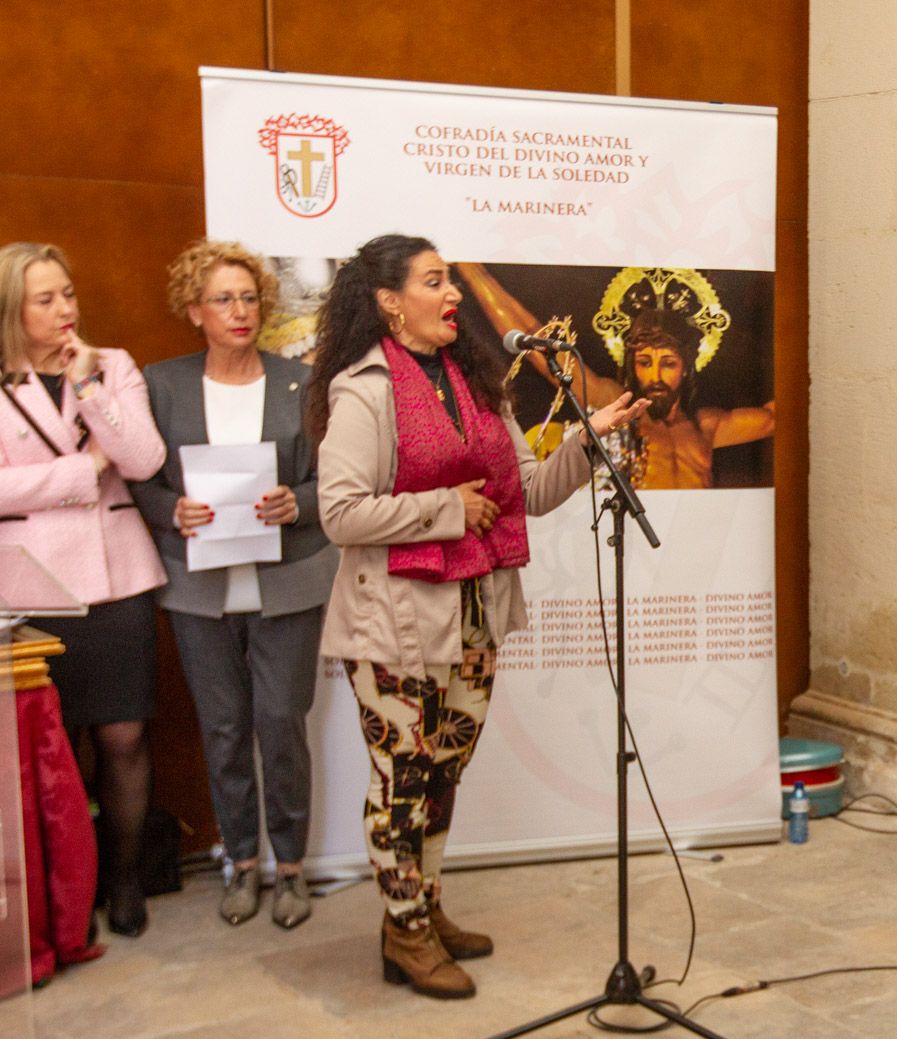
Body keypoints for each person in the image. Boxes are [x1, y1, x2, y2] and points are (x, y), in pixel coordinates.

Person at [309, 234, 641, 999]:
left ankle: (421, 906)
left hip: (475, 614)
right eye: (434, 281)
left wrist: (594, 442)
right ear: (390, 300)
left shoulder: (476, 382)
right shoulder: (364, 389)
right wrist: (446, 508)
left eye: (452, 279)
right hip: (392, 622)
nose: (453, 293)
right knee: (402, 777)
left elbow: (526, 490)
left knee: (443, 771)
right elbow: (339, 513)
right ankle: (404, 929)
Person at [131, 240, 337, 929]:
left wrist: (297, 504)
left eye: (249, 296)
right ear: (195, 310)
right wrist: (171, 509)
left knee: (281, 725)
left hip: (289, 582)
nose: (240, 310)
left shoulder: (301, 382)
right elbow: (140, 478)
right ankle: (241, 864)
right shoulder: (161, 384)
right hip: (199, 587)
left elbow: (329, 479)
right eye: (223, 298)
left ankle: (291, 869)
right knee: (223, 730)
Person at [0, 242, 165, 938]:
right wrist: (79, 474)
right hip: (33, 587)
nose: (66, 309)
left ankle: (125, 881)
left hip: (119, 580)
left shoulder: (113, 364)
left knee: (124, 736)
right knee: (54, 748)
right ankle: (69, 894)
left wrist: (93, 389)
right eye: (47, 299)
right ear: (13, 308)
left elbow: (144, 458)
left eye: (68, 293)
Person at [459, 261, 773, 488]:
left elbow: (779, 417)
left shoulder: (707, 426)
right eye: (644, 362)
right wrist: (473, 271)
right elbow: (535, 340)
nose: (655, 376)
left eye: (668, 363)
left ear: (687, 366)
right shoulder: (618, 407)